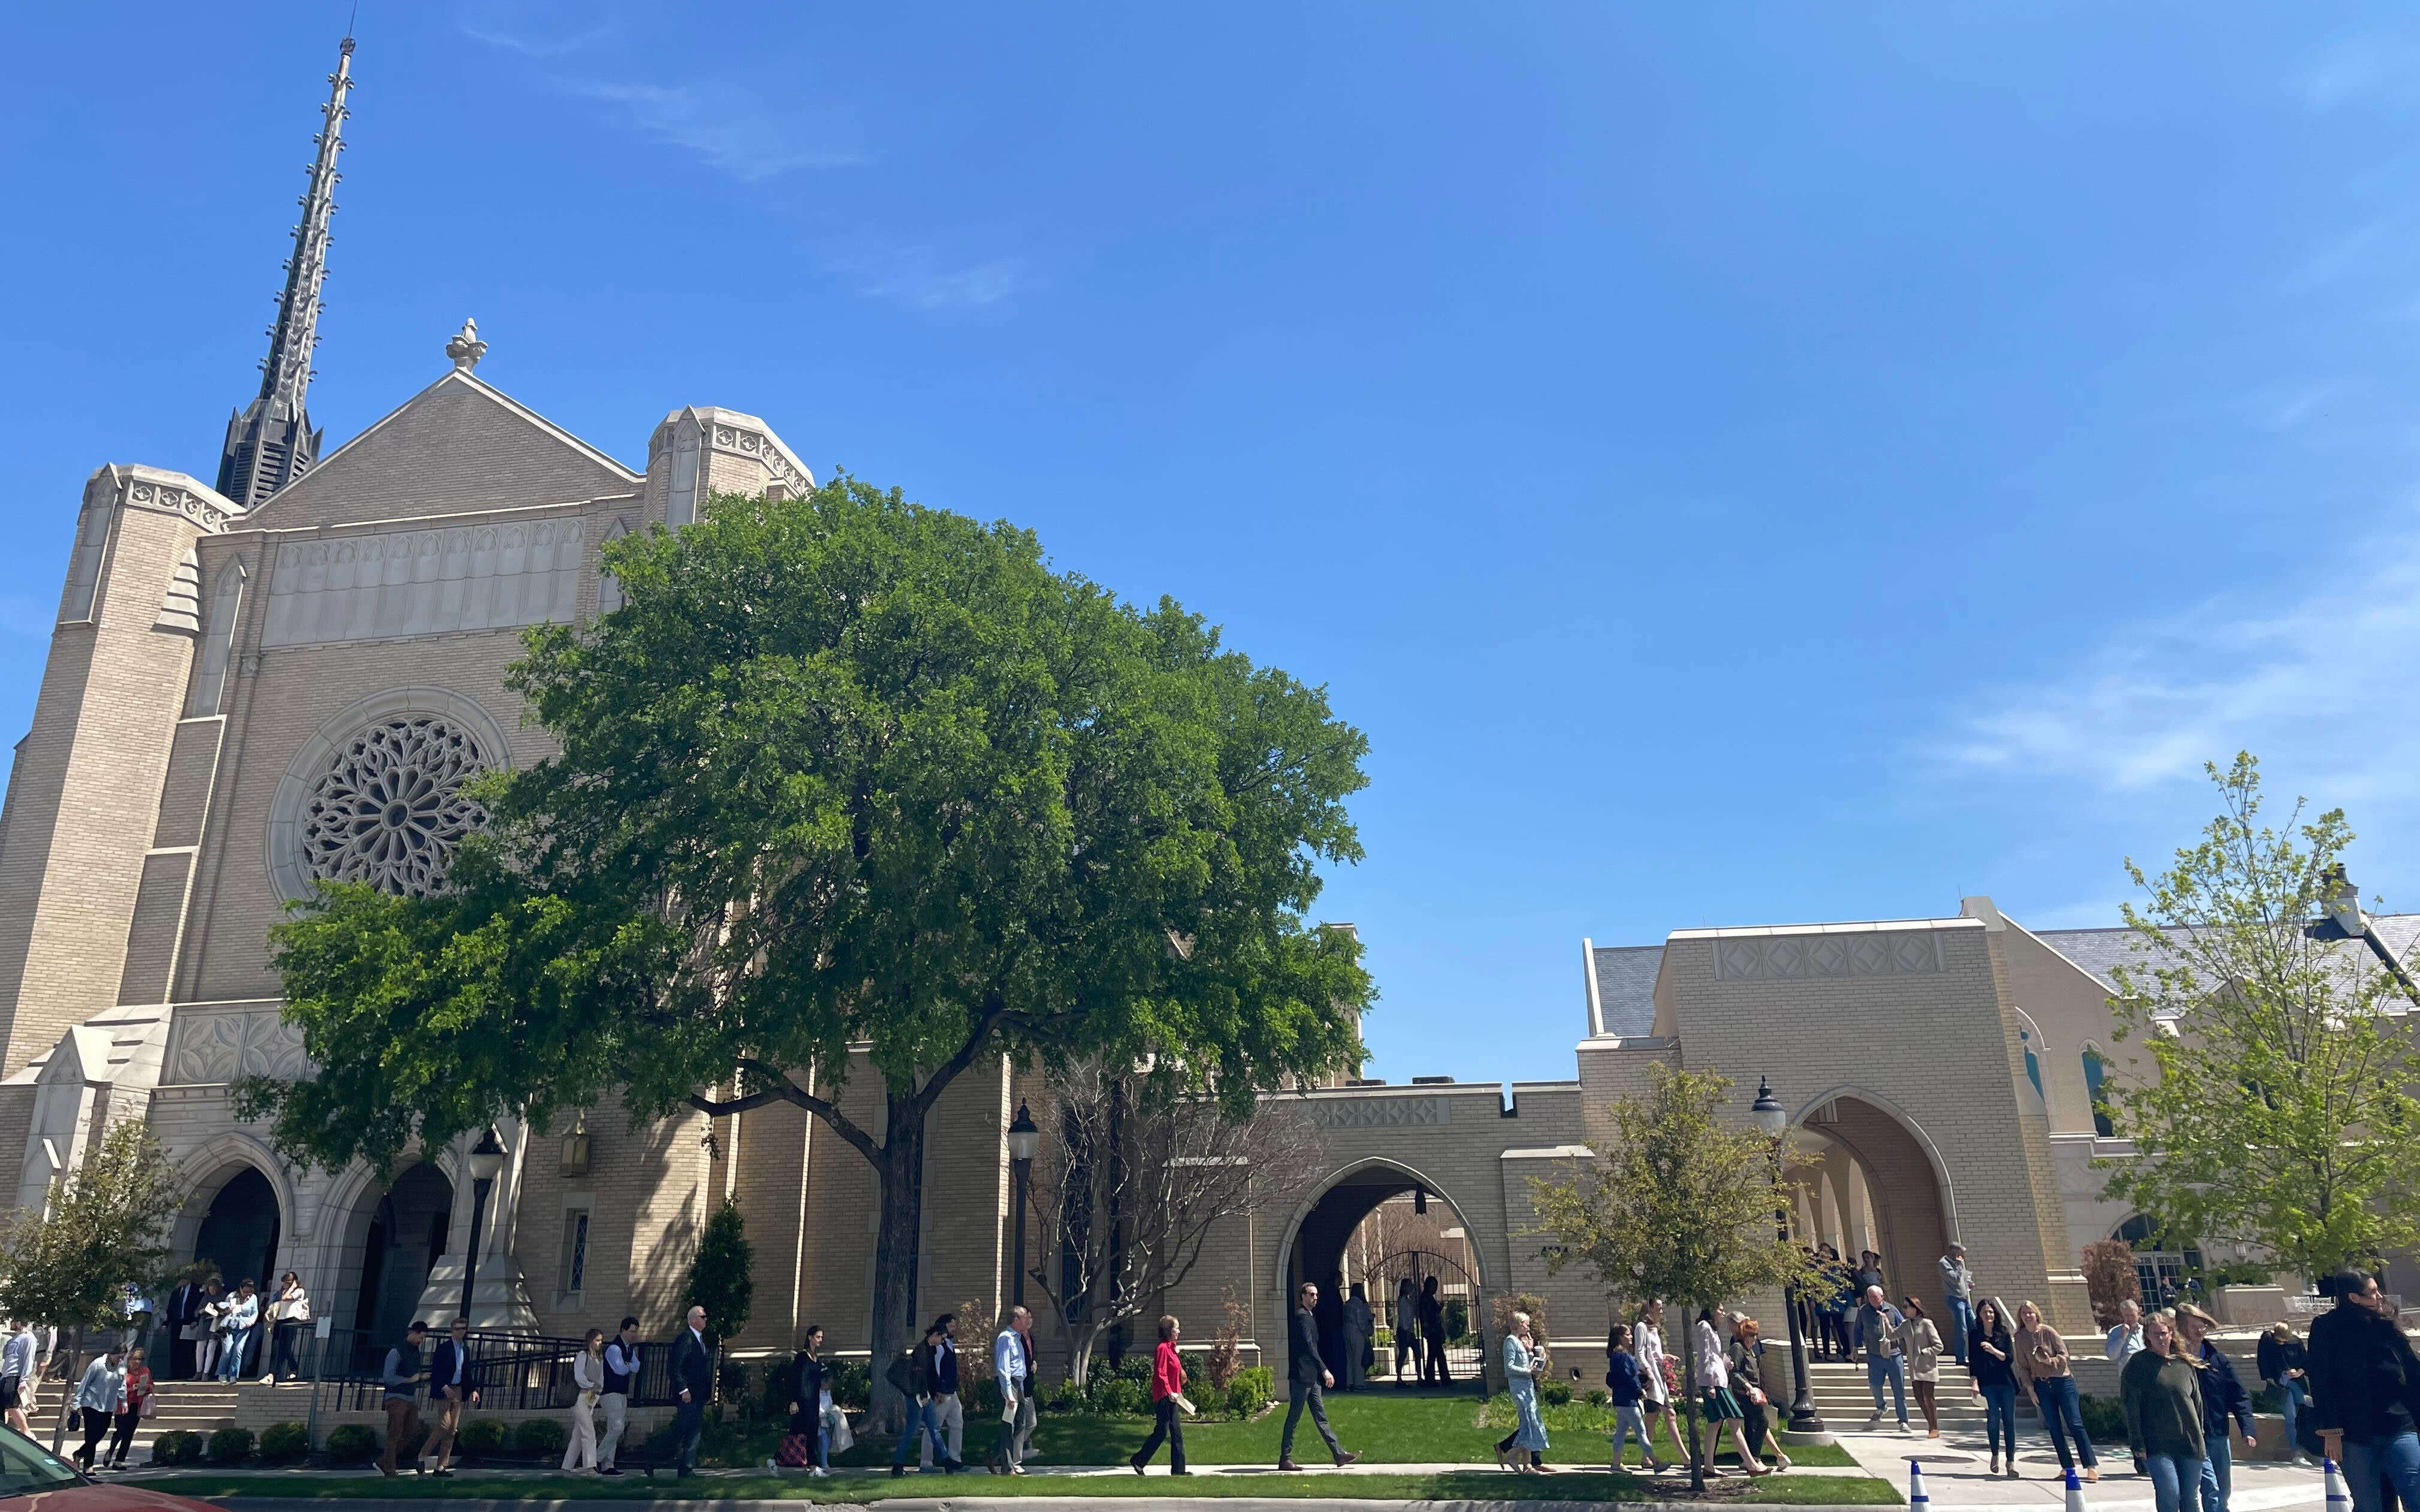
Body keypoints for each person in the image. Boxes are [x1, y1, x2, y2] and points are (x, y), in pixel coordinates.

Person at [2310, 1267, 2420, 1512]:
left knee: (2416, 1492)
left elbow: (2413, 1374)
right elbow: (2320, 1380)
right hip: (2354, 1434)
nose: (2380, 1296)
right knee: (2370, 1504)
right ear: (2353, 1297)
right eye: (2372, 1292)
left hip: (2399, 1427)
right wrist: (2331, 1431)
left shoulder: (2386, 1324)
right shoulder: (2326, 1327)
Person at [2122, 1312, 2208, 1512]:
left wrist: (2201, 1435)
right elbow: (2131, 1406)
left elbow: (2197, 1404)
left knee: (2190, 1500)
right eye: (2155, 1334)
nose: (2161, 1338)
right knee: (2170, 1494)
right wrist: (2137, 1442)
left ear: (2171, 1334)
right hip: (2157, 1444)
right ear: (2148, 1337)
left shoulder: (2184, 1365)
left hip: (2189, 1442)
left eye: (2163, 1333)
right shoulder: (2138, 1365)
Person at [2174, 1303, 2253, 1512]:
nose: (2199, 1330)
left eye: (2203, 1326)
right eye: (2194, 1326)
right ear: (2182, 1328)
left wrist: (2248, 1428)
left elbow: (2238, 1395)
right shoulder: (2175, 1361)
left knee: (2223, 1487)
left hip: (2218, 1432)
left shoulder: (2217, 1359)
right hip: (2191, 1435)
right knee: (2211, 1487)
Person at [1278, 1280, 1359, 1471]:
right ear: (1303, 1296)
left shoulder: (1309, 1316)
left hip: (1311, 1378)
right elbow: (1309, 1346)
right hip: (1302, 1376)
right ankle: (1285, 1458)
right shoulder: (1302, 1317)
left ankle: (1339, 1454)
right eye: (1311, 1294)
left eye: (1316, 1295)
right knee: (1293, 1418)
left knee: (1321, 1418)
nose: (1315, 1298)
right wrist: (1325, 1369)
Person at [2015, 1298, 2097, 1481]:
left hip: (2063, 1382)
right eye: (2023, 1313)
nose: (2027, 1316)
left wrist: (2049, 1361)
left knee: (2075, 1423)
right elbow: (2023, 1367)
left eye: (2030, 1312)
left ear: (2036, 1314)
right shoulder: (2020, 1338)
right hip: (2041, 1386)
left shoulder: (2048, 1332)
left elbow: (2064, 1355)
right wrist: (2030, 1390)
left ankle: (2090, 1466)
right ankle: (2067, 1467)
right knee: (2054, 1427)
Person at [1692, 1307, 1768, 1475]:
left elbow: (1715, 1355)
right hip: (1714, 1384)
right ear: (1711, 1310)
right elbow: (1705, 1357)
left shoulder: (1711, 1328)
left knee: (1716, 1423)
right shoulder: (1705, 1327)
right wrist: (1711, 1384)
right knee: (1734, 1419)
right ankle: (1751, 1464)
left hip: (1719, 1381)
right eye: (1720, 1309)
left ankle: (1709, 1467)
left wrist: (1726, 1364)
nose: (1723, 1313)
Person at [1129, 1314, 1190, 1476]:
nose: (1179, 1331)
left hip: (1173, 1395)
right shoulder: (1162, 1349)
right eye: (1176, 1328)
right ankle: (1178, 1471)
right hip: (1165, 1396)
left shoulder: (1171, 1349)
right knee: (1173, 1432)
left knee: (1163, 1432)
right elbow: (1161, 1373)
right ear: (1169, 1330)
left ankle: (1139, 1460)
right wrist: (1169, 1391)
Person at [887, 1321, 951, 1477]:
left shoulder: (930, 1349)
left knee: (934, 1429)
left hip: (925, 1395)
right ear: (935, 1335)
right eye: (941, 1339)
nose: (942, 1342)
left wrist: (934, 1391)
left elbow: (930, 1375)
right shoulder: (922, 1350)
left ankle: (947, 1461)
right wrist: (924, 1396)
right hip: (918, 1397)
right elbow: (920, 1375)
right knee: (912, 1431)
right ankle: (898, 1464)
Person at [1728, 1316, 1792, 1472]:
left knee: (1752, 1425)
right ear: (1744, 1335)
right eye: (1751, 1335)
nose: (1754, 1338)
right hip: (1744, 1393)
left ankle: (1748, 1459)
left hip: (1756, 1393)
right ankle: (1755, 1458)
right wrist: (1748, 1387)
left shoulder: (1751, 1351)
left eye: (1756, 1335)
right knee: (1762, 1422)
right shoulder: (1738, 1348)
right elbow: (1735, 1373)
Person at [1633, 1300, 1691, 1470]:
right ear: (1650, 1307)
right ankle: (1686, 1458)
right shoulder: (1641, 1328)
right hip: (1653, 1379)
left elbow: (1655, 1354)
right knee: (1670, 1413)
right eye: (1659, 1306)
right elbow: (1640, 1354)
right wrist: (1649, 1374)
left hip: (1658, 1377)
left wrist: (1667, 1357)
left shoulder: (1654, 1329)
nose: (1662, 1310)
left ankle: (1646, 1457)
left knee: (1652, 1417)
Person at [1969, 1298, 2021, 1477]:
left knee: (2009, 1422)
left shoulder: (2003, 1333)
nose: (1988, 1315)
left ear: (1995, 1314)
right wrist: (1974, 1383)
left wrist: (1992, 1349)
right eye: (1984, 1312)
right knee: (1993, 1419)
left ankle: (2011, 1461)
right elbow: (1973, 1362)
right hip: (1987, 1384)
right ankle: (1995, 1455)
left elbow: (2009, 1358)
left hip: (2006, 1383)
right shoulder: (1975, 1335)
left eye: (1991, 1312)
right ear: (1980, 1315)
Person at [1497, 1310, 1552, 1475]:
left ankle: (1527, 1465)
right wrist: (1528, 1371)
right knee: (1529, 1423)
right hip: (1519, 1387)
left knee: (1529, 1423)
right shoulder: (1510, 1342)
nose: (1528, 1326)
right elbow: (1510, 1368)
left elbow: (1527, 1364)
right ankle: (1513, 1456)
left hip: (1526, 1385)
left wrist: (1533, 1353)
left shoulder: (1519, 1342)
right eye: (1526, 1323)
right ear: (1519, 1324)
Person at [425, 1316, 480, 1475]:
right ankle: (423, 1454)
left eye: (463, 1329)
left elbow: (467, 1372)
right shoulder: (444, 1348)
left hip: (459, 1390)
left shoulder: (465, 1349)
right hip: (445, 1390)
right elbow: (436, 1371)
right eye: (457, 1329)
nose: (460, 1332)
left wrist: (473, 1390)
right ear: (452, 1330)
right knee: (444, 1425)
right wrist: (444, 1387)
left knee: (452, 1430)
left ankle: (441, 1466)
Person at [1607, 1323, 1663, 1473]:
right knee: (1641, 1431)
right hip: (1629, 1401)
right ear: (1620, 1338)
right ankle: (1655, 1462)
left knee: (1621, 1431)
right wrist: (1640, 1392)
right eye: (1627, 1335)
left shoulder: (1615, 1356)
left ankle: (1616, 1463)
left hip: (1620, 1399)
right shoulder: (1623, 1356)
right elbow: (1629, 1378)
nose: (1631, 1337)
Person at [989, 1306, 1038, 1475]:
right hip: (1009, 1386)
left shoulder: (1017, 1338)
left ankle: (1000, 1458)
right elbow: (1004, 1370)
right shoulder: (1006, 1338)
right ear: (1016, 1320)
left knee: (1021, 1424)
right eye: (1025, 1318)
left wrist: (1021, 1389)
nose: (1028, 1321)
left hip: (1019, 1385)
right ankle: (1007, 1467)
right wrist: (1009, 1394)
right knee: (1008, 1426)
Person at [377, 1320, 429, 1479]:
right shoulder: (396, 1352)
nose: (421, 1341)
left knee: (413, 1429)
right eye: (420, 1337)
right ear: (413, 1333)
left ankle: (383, 1461)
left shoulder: (415, 1352)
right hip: (396, 1397)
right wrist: (409, 1380)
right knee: (395, 1433)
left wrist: (421, 1378)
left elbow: (413, 1374)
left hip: (410, 1397)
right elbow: (388, 1378)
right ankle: (390, 1469)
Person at [2258, 1320, 2313, 1468]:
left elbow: (2305, 1362)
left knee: (2303, 1415)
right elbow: (2264, 1362)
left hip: (2297, 1383)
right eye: (2279, 1341)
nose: (2281, 1344)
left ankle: (2311, 1450)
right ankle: (2297, 1453)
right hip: (2280, 1385)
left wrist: (2300, 1371)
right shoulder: (2269, 1341)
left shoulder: (2295, 1343)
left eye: (2284, 1341)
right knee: (2291, 1417)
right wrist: (2272, 1379)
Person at [1858, 1285, 1909, 1432]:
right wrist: (1855, 1348)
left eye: (1876, 1297)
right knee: (1875, 1385)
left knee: (1899, 1389)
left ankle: (1903, 1421)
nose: (1873, 1300)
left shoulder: (1892, 1310)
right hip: (1875, 1356)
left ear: (1882, 1297)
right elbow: (1858, 1330)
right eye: (1870, 1297)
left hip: (1894, 1354)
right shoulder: (1864, 1312)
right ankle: (1881, 1406)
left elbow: (1904, 1328)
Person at [670, 1304, 712, 1478]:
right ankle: (654, 1456)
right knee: (681, 1430)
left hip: (698, 1395)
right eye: (703, 1317)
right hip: (687, 1395)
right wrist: (683, 1389)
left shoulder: (700, 1341)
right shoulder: (686, 1339)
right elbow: (676, 1367)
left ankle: (687, 1467)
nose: (706, 1320)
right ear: (694, 1320)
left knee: (695, 1430)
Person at [70, 1344, 125, 1471]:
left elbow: (122, 1385)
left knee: (101, 1432)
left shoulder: (121, 1366)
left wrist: (124, 1402)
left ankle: (79, 1454)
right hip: (91, 1403)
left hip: (108, 1405)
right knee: (91, 1434)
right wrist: (76, 1403)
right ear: (112, 1354)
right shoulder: (98, 1364)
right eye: (118, 1357)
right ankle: (88, 1466)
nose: (120, 1360)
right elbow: (85, 1382)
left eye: (122, 1357)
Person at [787, 1324, 831, 1478]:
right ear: (810, 1337)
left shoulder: (816, 1359)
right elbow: (795, 1379)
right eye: (818, 1337)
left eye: (821, 1337)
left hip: (813, 1401)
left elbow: (818, 1380)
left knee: (805, 1432)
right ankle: (813, 1468)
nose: (820, 1340)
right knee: (807, 1433)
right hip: (802, 1400)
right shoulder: (802, 1358)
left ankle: (776, 1460)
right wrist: (794, 1401)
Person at [598, 1316, 639, 1476]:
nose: (633, 1335)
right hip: (610, 1392)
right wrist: (628, 1366)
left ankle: (608, 1465)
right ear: (623, 1330)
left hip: (621, 1393)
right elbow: (619, 1369)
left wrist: (628, 1365)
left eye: (635, 1332)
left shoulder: (629, 1349)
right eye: (631, 1332)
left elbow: (637, 1367)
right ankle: (596, 1458)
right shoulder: (615, 1349)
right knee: (617, 1427)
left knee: (613, 1429)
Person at [1898, 1297, 1943, 1438]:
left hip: (1927, 1366)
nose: (1905, 1310)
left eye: (1907, 1307)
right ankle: (1930, 1423)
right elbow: (1893, 1335)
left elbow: (1939, 1345)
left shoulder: (1926, 1324)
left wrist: (1926, 1352)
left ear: (1915, 1308)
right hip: (1914, 1368)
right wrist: (1885, 1323)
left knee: (1928, 1396)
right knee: (1918, 1396)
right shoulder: (1905, 1325)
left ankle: (1934, 1427)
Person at [560, 1328, 603, 1473]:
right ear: (591, 1341)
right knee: (589, 1432)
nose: (600, 1343)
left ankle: (567, 1467)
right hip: (580, 1397)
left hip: (591, 1399)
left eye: (601, 1340)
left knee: (579, 1434)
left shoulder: (599, 1359)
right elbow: (579, 1377)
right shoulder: (582, 1356)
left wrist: (598, 1388)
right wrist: (592, 1385)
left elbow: (601, 1378)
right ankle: (590, 1467)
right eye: (597, 1340)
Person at [106, 1346, 151, 1469]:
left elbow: (151, 1386)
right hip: (123, 1406)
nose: (138, 1362)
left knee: (129, 1434)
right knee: (120, 1432)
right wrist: (131, 1389)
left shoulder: (145, 1371)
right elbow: (116, 1390)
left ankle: (119, 1461)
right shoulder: (123, 1372)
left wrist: (145, 1387)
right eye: (135, 1359)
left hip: (137, 1405)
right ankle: (110, 1451)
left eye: (140, 1359)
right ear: (130, 1359)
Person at [263, 1271, 310, 1384]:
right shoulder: (281, 1291)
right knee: (275, 1348)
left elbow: (285, 1298)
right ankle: (272, 1374)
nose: (284, 1285)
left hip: (292, 1320)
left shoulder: (299, 1291)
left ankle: (293, 1367)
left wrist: (293, 1287)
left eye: (286, 1283)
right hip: (280, 1320)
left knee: (286, 1348)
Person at [217, 1278, 259, 1383]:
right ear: (240, 1289)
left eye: (249, 1292)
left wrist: (251, 1322)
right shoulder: (232, 1296)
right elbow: (224, 1310)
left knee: (238, 1350)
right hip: (229, 1326)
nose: (246, 1295)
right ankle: (222, 1374)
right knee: (227, 1350)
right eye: (245, 1292)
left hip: (243, 1327)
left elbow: (255, 1312)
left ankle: (233, 1375)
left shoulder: (253, 1298)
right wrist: (229, 1309)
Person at [1939, 1244, 1975, 1368]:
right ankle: (1961, 1357)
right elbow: (1953, 1279)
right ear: (1951, 1251)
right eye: (1957, 1253)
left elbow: (1962, 1277)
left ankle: (1973, 1355)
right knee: (1961, 1328)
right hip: (1954, 1299)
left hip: (1965, 1299)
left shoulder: (1958, 1262)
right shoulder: (1944, 1263)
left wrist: (1968, 1283)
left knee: (1973, 1326)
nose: (1959, 1256)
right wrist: (1959, 1266)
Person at [164, 1274, 205, 1381]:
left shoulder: (196, 1290)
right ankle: (175, 1373)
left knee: (187, 1349)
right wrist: (166, 1324)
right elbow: (171, 1309)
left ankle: (187, 1373)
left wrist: (196, 1321)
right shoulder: (176, 1292)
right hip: (177, 1322)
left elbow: (200, 1306)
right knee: (174, 1348)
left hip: (189, 1323)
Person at [0, 1318, 35, 1436]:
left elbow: (29, 1359)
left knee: (12, 1405)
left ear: (20, 1323)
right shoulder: (13, 1340)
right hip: (6, 1376)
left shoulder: (29, 1338)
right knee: (3, 1406)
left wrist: (24, 1379)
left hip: (15, 1375)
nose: (11, 1324)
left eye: (14, 1321)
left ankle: (26, 1432)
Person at [191, 1275, 225, 1380]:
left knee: (211, 1347)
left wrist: (217, 1311)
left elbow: (226, 1309)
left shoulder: (223, 1296)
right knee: (200, 1347)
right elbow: (197, 1312)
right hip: (204, 1323)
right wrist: (204, 1310)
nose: (213, 1291)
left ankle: (206, 1372)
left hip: (215, 1323)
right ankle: (198, 1371)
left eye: (214, 1289)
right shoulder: (206, 1297)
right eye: (210, 1289)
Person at [1419, 1276, 1451, 1385]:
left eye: (1436, 1286)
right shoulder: (1426, 1298)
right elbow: (1427, 1315)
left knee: (1434, 1355)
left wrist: (1439, 1308)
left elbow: (1433, 1312)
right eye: (1433, 1285)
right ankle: (1441, 1379)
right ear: (1428, 1285)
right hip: (1432, 1331)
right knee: (1437, 1356)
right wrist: (1427, 1329)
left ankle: (1432, 1379)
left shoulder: (1429, 1298)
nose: (1435, 1288)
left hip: (1434, 1330)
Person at [1343, 1283, 1374, 1391]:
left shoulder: (1347, 1304)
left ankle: (1349, 1383)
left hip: (1347, 1332)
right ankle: (1359, 1384)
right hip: (1357, 1333)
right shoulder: (1359, 1304)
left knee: (1350, 1359)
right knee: (1358, 1359)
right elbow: (1361, 1321)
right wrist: (1365, 1332)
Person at [1393, 1278, 1421, 1383]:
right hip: (1404, 1330)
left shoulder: (1408, 1299)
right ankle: (1399, 1378)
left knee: (1417, 1352)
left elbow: (1413, 1315)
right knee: (1403, 1354)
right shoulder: (1402, 1300)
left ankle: (1419, 1377)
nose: (1411, 1287)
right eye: (1409, 1286)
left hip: (1410, 1330)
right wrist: (1407, 1331)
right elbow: (1404, 1317)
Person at [2106, 1298, 2146, 1363]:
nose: (2129, 1319)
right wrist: (2122, 1338)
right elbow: (2112, 1356)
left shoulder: (2145, 1330)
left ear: (2138, 1314)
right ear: (2123, 1315)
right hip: (2129, 1371)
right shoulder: (2115, 1332)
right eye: (2126, 1315)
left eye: (2132, 1315)